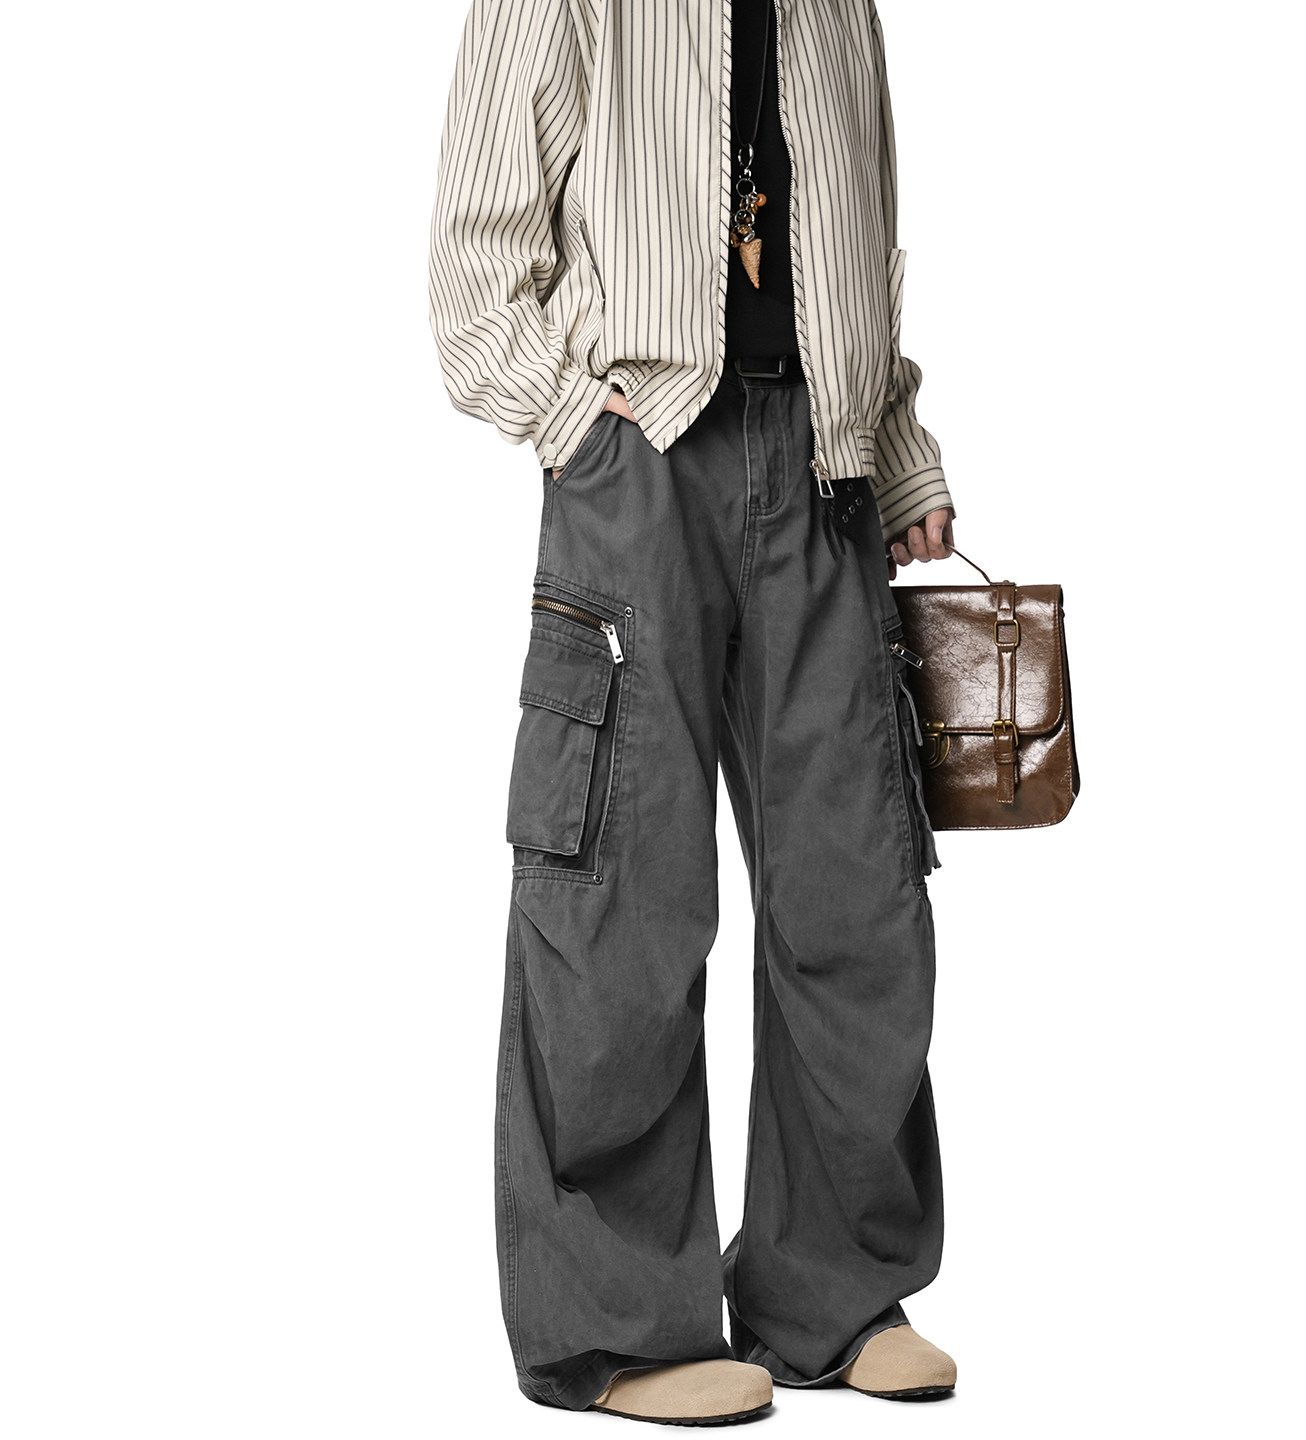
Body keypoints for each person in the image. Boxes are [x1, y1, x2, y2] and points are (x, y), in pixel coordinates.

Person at [429, 0, 959, 1422]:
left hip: (825, 467)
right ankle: (618, 1323)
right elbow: (477, 259)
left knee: (859, 894)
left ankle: (833, 1294)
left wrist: (897, 447)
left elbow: (865, 233)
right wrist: (573, 429)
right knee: (625, 892)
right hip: (641, 456)